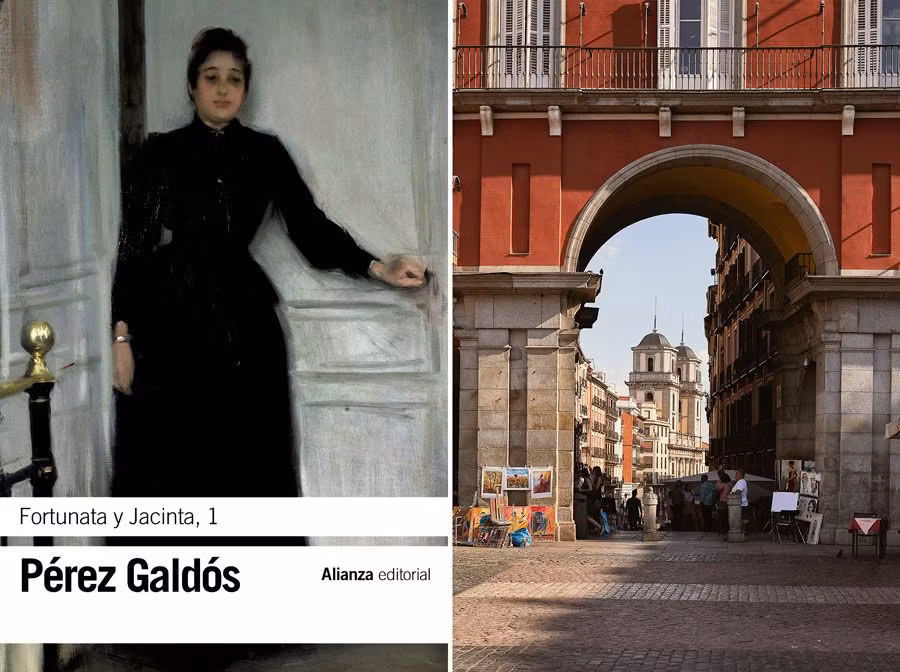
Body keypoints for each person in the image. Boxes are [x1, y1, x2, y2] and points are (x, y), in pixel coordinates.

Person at [110, 29, 425, 513]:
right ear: (192, 86)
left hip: (246, 326)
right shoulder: (161, 153)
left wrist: (380, 266)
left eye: (234, 79)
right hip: (172, 324)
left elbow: (310, 228)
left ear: (245, 89)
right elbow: (134, 246)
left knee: (251, 466)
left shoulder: (265, 153)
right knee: (177, 467)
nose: (223, 89)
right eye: (211, 77)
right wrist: (122, 339)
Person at [732, 470, 750, 535]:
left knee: (741, 518)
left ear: (740, 475)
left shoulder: (741, 482)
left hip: (741, 504)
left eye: (736, 475)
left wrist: (732, 494)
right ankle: (743, 531)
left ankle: (743, 531)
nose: (735, 476)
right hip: (740, 503)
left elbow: (739, 491)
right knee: (742, 518)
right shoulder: (740, 482)